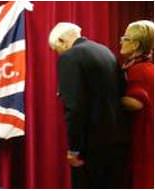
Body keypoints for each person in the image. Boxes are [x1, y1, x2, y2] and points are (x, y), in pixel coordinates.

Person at [48, 22, 128, 188]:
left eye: (57, 49)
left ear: (62, 41)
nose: (58, 54)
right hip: (116, 140)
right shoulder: (106, 52)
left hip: (89, 146)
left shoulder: (70, 57)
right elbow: (122, 90)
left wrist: (74, 149)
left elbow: (74, 106)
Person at [120, 20, 154, 188]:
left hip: (143, 137)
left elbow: (135, 103)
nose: (121, 41)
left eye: (125, 38)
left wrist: (105, 97)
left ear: (135, 44)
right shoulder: (140, 66)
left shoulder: (140, 70)